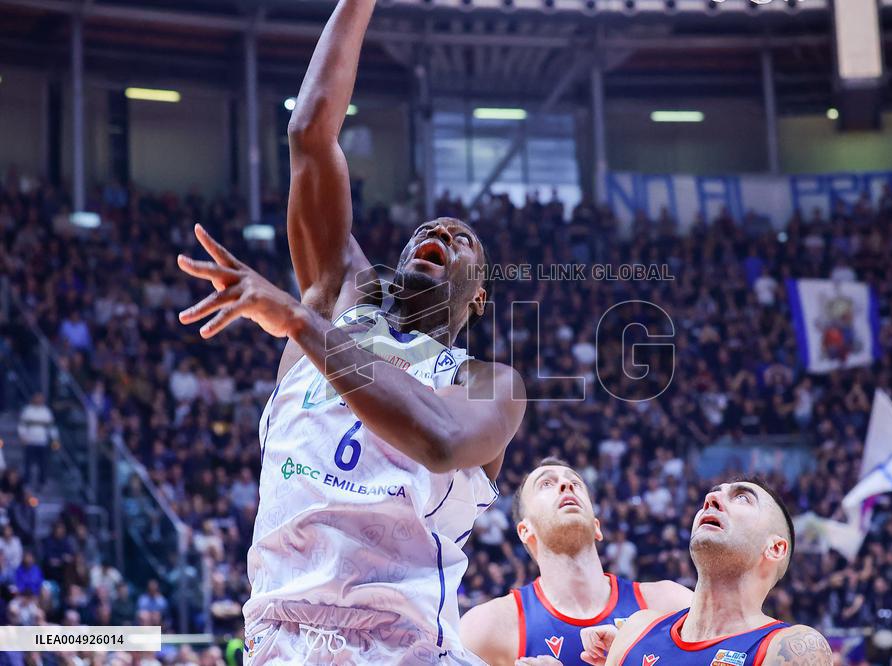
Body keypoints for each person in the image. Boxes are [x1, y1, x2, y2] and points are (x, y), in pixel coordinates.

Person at [177, 0, 525, 662]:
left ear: (477, 297)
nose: (440, 234)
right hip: (283, 637)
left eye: (462, 240)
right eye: (430, 229)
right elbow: (310, 135)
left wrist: (301, 323)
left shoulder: (490, 383)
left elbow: (442, 440)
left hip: (405, 644)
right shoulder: (339, 295)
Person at [460, 459, 691, 665]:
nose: (566, 485)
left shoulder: (670, 604)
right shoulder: (487, 628)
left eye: (576, 483)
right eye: (546, 484)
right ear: (525, 530)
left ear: (597, 526)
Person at [580, 478, 833, 666]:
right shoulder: (636, 630)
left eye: (742, 498)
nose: (711, 500)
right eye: (713, 495)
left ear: (775, 548)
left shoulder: (791, 646)